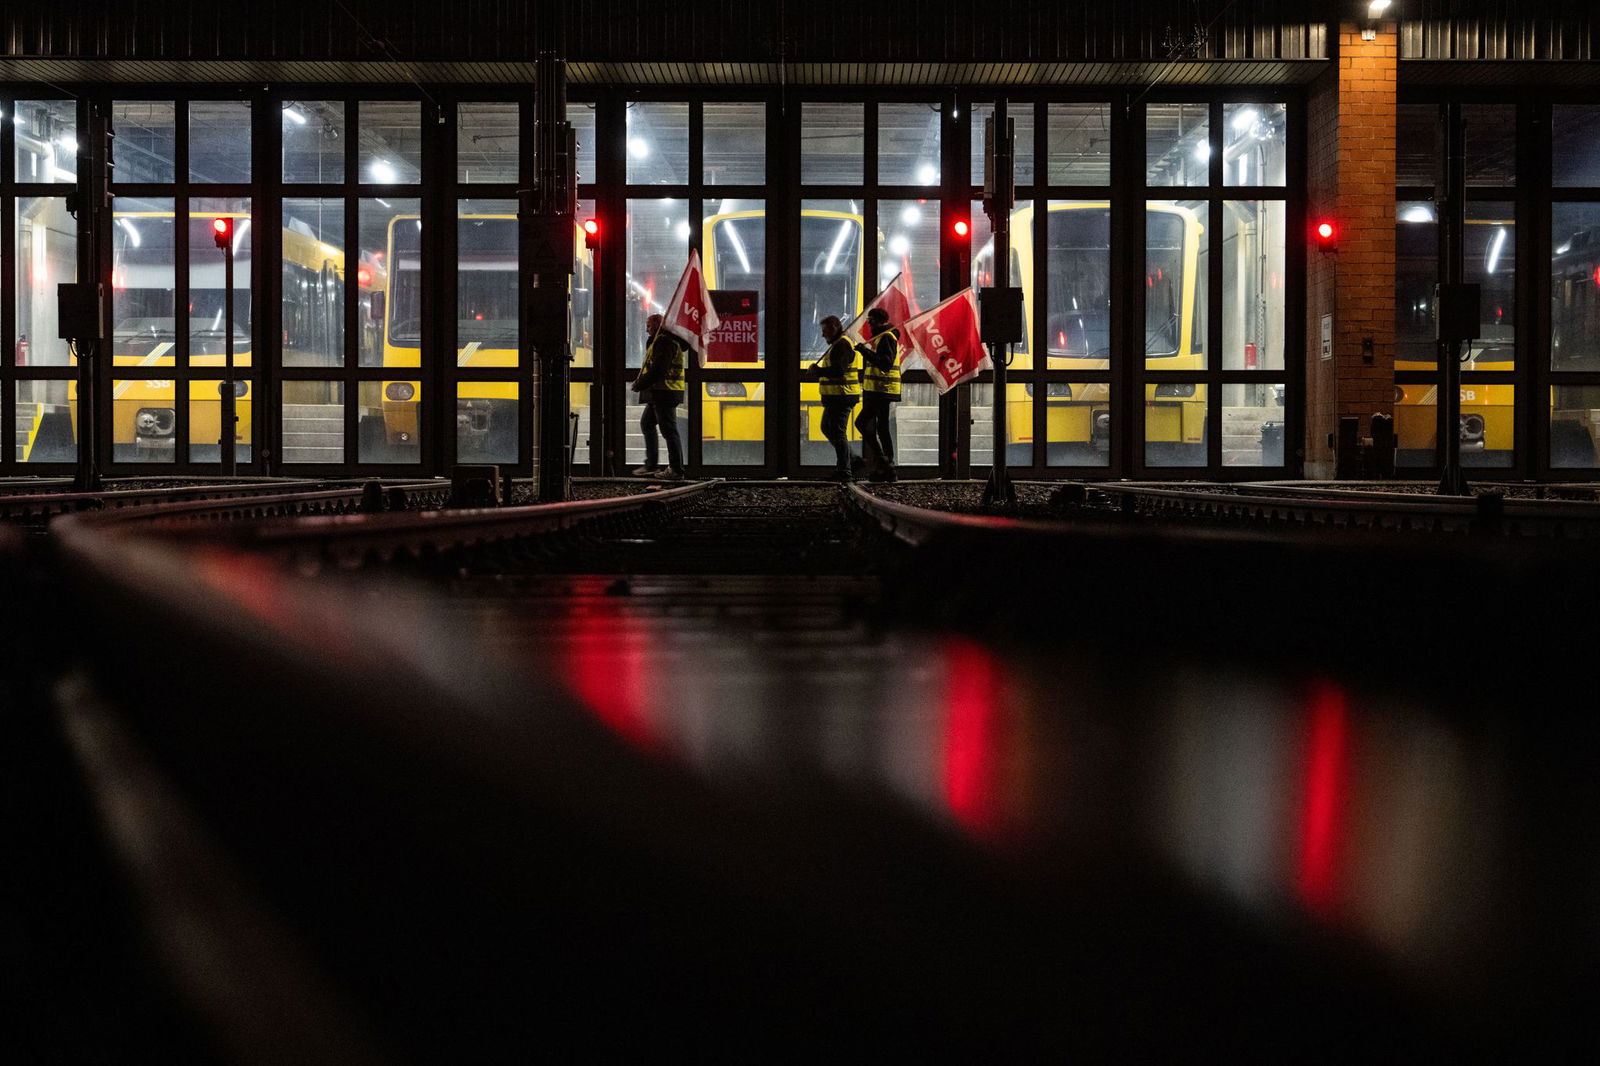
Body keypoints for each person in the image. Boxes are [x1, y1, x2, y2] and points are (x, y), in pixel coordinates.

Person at [631, 313, 686, 479]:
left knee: (669, 431)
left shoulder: (664, 342)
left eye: (648, 326)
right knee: (647, 424)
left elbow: (659, 369)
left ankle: (676, 470)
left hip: (665, 392)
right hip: (661, 393)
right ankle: (652, 465)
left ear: (657, 326)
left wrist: (640, 384)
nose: (646, 330)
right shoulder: (661, 341)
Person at [810, 315, 861, 481]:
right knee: (827, 428)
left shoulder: (842, 345)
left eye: (826, 331)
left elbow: (839, 370)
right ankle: (852, 460)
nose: (824, 335)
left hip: (842, 396)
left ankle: (845, 471)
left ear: (835, 328)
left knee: (837, 432)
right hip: (837, 396)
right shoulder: (837, 345)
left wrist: (819, 371)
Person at [854, 306, 901, 482]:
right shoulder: (882, 337)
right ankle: (887, 466)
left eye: (871, 321)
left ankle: (885, 462)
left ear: (879, 321)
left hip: (882, 390)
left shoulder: (886, 338)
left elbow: (885, 364)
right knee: (881, 427)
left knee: (861, 422)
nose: (869, 325)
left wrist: (864, 351)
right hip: (880, 390)